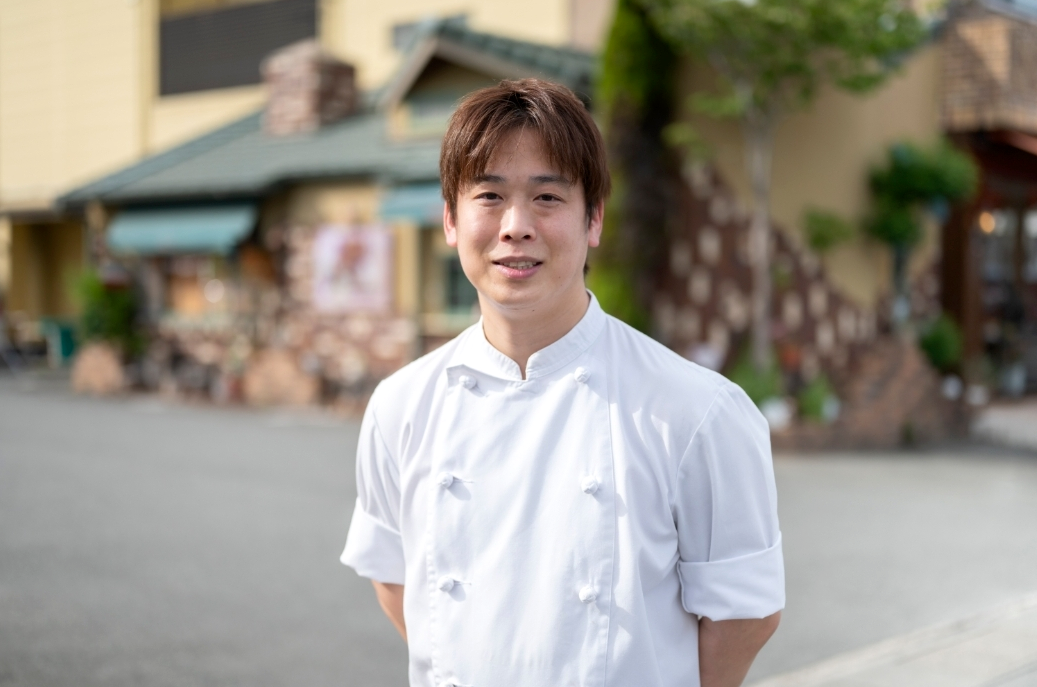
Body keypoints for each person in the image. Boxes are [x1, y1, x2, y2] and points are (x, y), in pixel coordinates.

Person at [341, 78, 784, 687]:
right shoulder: (401, 405)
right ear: (449, 219)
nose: (515, 226)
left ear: (593, 219)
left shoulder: (696, 410)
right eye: (489, 196)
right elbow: (395, 576)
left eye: (547, 197)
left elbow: (745, 614)